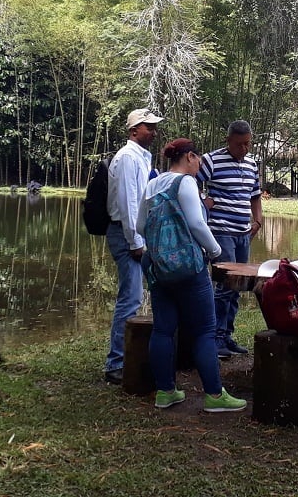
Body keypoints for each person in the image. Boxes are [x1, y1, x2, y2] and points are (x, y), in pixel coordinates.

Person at [136, 138, 248, 412]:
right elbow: (197, 223)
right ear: (189, 157)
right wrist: (215, 250)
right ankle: (214, 395)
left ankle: (165, 391)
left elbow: (139, 225)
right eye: (198, 159)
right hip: (188, 267)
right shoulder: (185, 182)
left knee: (163, 329)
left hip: (159, 267)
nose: (200, 164)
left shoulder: (153, 183)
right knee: (205, 330)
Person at [102, 108, 163, 385]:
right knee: (130, 297)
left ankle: (127, 357)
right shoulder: (128, 157)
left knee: (134, 296)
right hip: (126, 235)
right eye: (147, 126)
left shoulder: (142, 157)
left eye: (153, 127)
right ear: (133, 130)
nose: (152, 131)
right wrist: (135, 241)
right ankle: (115, 363)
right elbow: (128, 202)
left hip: (136, 234)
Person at [198, 120, 264, 358]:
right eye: (240, 145)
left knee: (238, 286)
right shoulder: (212, 160)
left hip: (243, 232)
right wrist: (203, 200)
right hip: (220, 231)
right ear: (228, 141)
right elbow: (190, 183)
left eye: (248, 144)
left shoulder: (251, 163)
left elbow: (255, 195)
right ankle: (215, 337)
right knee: (225, 285)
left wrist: (258, 220)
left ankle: (226, 335)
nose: (244, 149)